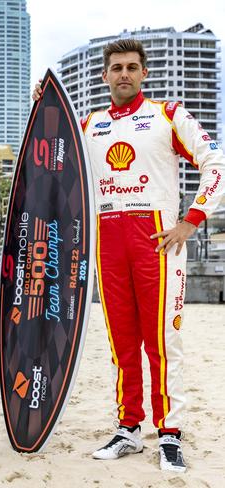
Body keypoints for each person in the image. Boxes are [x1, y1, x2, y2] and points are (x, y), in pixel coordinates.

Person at [34, 38, 224, 472]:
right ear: (104, 76)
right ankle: (129, 428)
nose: (124, 73)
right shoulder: (89, 125)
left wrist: (191, 220)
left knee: (162, 342)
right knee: (122, 344)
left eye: (132, 67)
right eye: (116, 67)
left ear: (144, 73)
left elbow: (216, 163)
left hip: (157, 240)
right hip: (107, 241)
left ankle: (169, 433)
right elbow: (55, 163)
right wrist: (45, 110)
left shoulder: (167, 115)